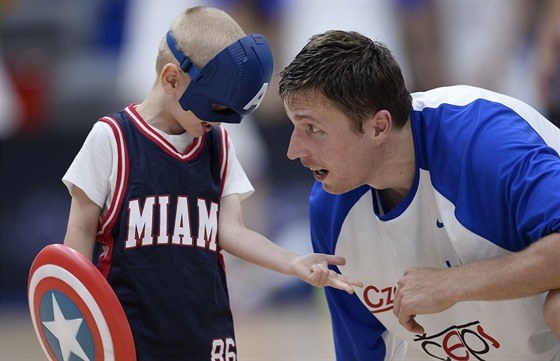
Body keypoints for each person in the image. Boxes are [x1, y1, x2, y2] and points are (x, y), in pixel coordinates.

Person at [61, 8, 361, 360]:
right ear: (172, 80)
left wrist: (292, 262)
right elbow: (78, 236)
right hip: (130, 336)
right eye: (215, 105)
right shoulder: (111, 138)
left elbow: (231, 231)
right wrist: (77, 324)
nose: (222, 119)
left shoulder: (217, 144)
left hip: (209, 338)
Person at [279, 30, 560, 360]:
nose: (293, 150)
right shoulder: (330, 208)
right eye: (294, 128)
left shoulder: (485, 142)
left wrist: (453, 284)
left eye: (312, 128)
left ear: (379, 126)